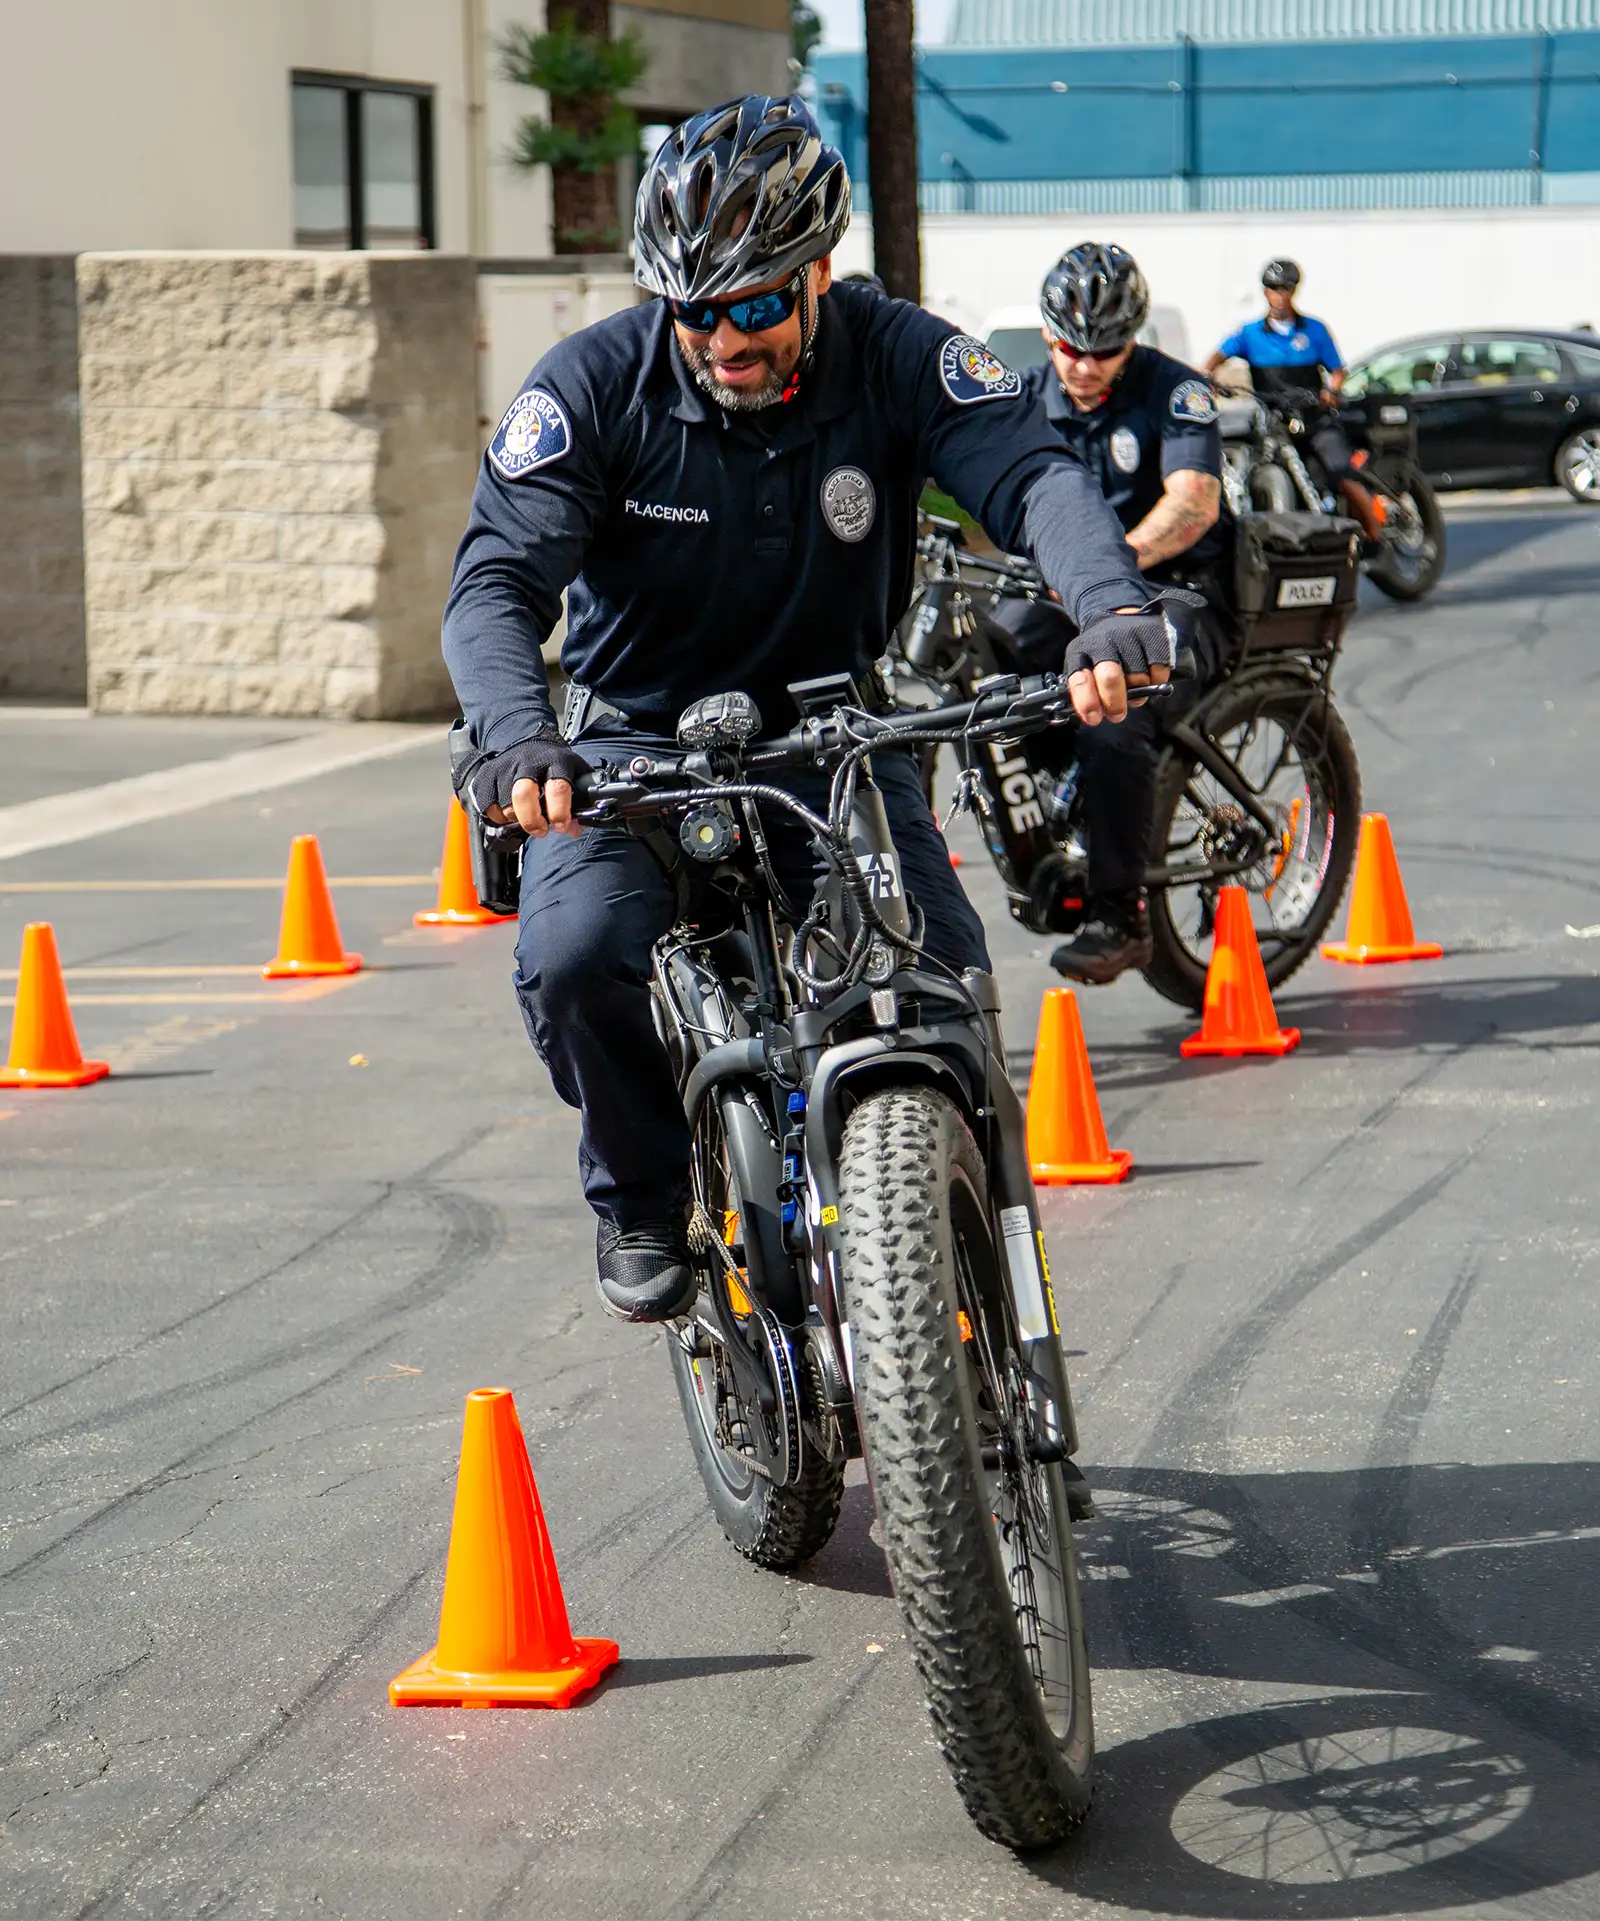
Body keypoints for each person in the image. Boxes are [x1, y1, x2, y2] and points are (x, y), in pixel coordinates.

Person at [442, 95, 1158, 1324]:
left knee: (945, 990)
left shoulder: (896, 353)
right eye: (696, 310)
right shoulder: (592, 387)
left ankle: (996, 1318)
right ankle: (641, 1195)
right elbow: (497, 580)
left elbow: (1032, 474)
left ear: (818, 272)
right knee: (571, 960)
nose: (725, 338)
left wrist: (1102, 603)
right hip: (629, 748)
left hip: (835, 734)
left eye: (758, 305)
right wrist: (518, 733)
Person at [1008, 241, 1238, 986]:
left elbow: (1193, 504)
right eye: (1070, 347)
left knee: (1112, 710)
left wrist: (1106, 569)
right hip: (1074, 596)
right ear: (1048, 335)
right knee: (995, 646)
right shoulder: (1023, 398)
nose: (1084, 365)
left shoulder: (1176, 393)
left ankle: (1121, 915)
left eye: (1104, 350)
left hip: (1182, 589)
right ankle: (1063, 810)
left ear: (1132, 338)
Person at [1204, 259, 1383, 541]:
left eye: (1285, 288)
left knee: (1342, 475)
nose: (1278, 294)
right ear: (1265, 292)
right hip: (1275, 421)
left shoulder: (1314, 330)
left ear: (1294, 290)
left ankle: (1376, 537)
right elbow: (1216, 357)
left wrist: (1332, 391)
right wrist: (1205, 377)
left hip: (1314, 417)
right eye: (1272, 288)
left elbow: (1337, 369)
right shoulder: (1249, 333)